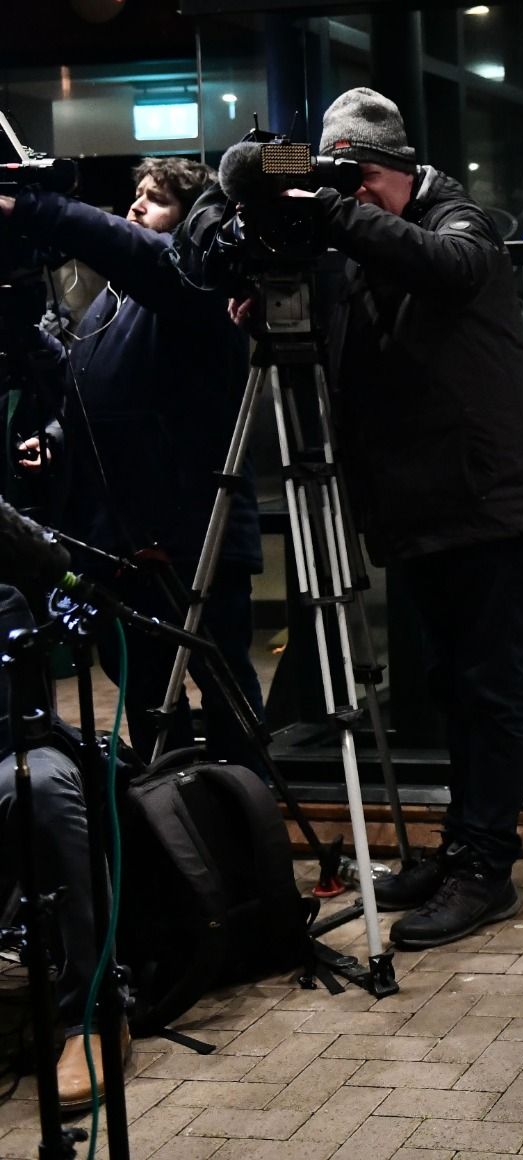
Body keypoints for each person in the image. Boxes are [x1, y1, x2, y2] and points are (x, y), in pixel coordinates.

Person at [290, 87, 523, 947]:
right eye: (347, 180)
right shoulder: (372, 243)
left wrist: (335, 213)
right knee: (452, 692)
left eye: (367, 178)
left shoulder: (461, 221)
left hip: (486, 508)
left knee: (490, 693)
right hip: (425, 511)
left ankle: (487, 870)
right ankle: (458, 850)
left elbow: (448, 269)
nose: (359, 194)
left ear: (401, 169)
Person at [0, 159, 265, 769]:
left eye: (159, 202)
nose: (138, 208)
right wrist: (56, 436)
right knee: (141, 687)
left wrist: (42, 210)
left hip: (194, 534)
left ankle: (246, 813)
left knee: (221, 681)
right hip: (125, 541)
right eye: (137, 197)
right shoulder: (111, 303)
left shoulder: (197, 287)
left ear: (191, 223)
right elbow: (85, 391)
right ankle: (166, 822)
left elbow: (149, 264)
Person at [0, 584, 128, 1113]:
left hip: (11, 749)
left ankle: (94, 1015)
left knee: (43, 787)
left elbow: (17, 723)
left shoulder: (5, 602)